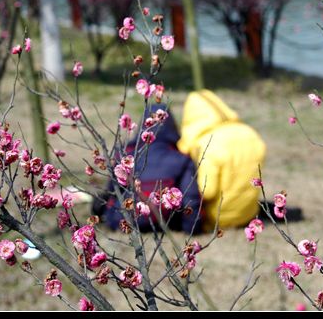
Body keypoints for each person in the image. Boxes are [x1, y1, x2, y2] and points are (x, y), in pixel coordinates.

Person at [101, 103, 202, 234]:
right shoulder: (182, 159)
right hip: (165, 221)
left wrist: (105, 217)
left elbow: (111, 192)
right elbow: (191, 198)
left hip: (124, 220)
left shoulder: (125, 158)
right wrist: (192, 229)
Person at [177, 89, 267, 232]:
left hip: (218, 218)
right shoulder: (250, 133)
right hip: (248, 214)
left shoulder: (208, 143)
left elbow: (208, 191)